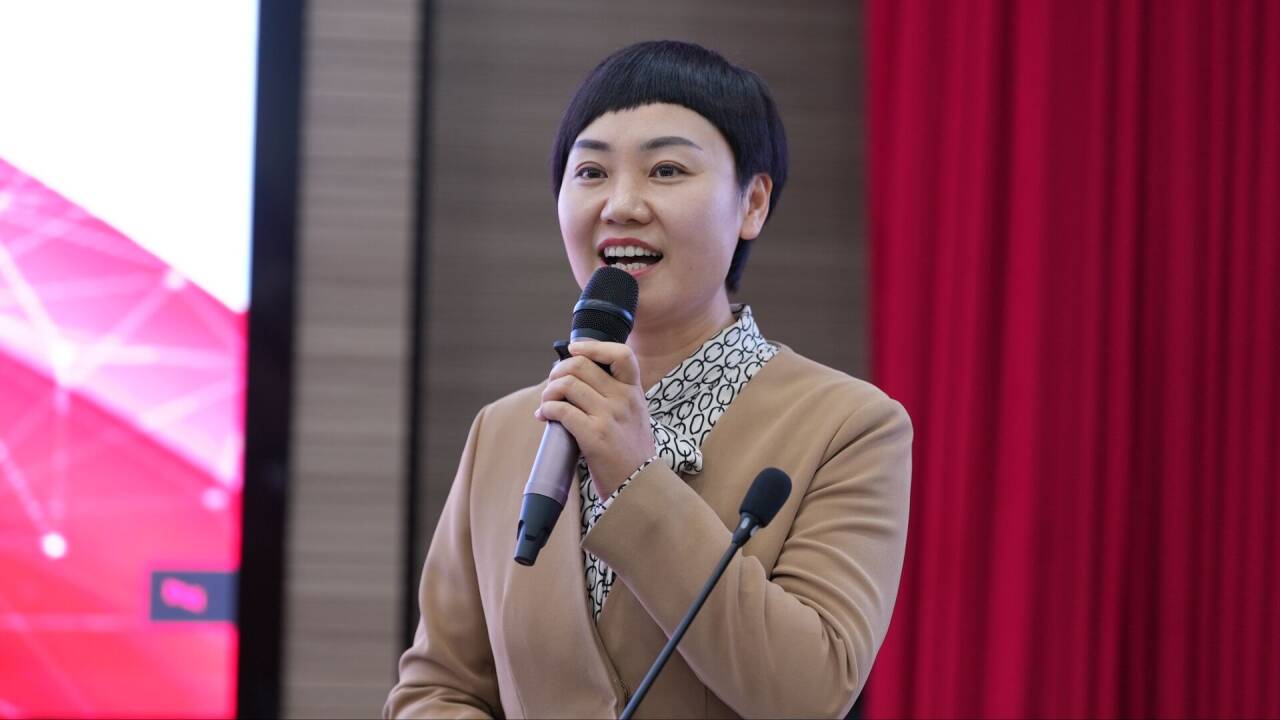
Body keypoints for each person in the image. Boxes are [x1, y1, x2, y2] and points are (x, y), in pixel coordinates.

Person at [386, 40, 911, 719]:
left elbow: (809, 694)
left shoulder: (849, 426)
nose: (622, 204)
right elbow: (437, 689)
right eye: (591, 172)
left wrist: (636, 478)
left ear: (752, 203)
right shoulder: (505, 430)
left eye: (666, 170)